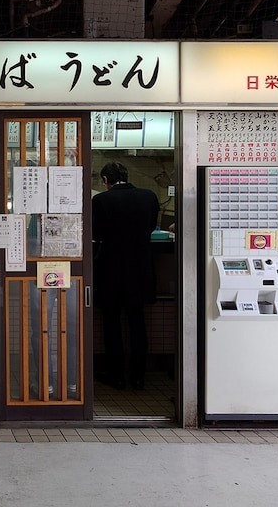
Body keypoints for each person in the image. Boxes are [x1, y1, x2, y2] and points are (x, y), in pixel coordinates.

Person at [92, 162, 159, 391]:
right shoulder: (148, 197)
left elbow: (96, 234)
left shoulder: (100, 201)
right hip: (140, 268)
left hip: (111, 268)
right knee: (137, 320)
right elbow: (151, 226)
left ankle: (116, 375)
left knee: (111, 322)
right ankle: (139, 376)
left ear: (105, 180)